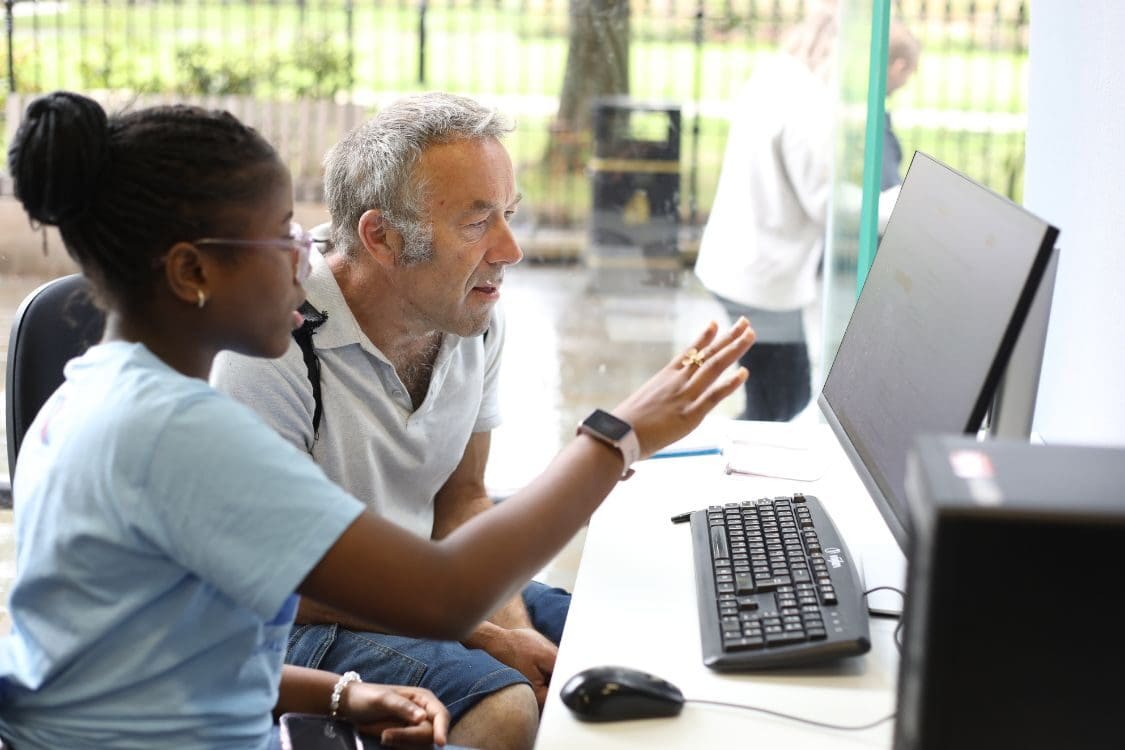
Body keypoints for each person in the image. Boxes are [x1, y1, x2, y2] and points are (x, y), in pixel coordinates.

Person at [0, 92, 754, 749]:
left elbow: (176, 649)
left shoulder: (107, 395)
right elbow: (442, 594)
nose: (305, 262)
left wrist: (336, 695)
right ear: (192, 272)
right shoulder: (177, 433)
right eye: (281, 240)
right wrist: (615, 438)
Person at [210, 93, 548, 750]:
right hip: (301, 611)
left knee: (603, 636)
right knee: (507, 708)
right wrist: (480, 631)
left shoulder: (470, 315)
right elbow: (275, 573)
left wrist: (511, 626)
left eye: (509, 215)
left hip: (432, 585)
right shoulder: (271, 342)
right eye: (478, 223)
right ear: (381, 237)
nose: (509, 250)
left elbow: (463, 497)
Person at [694, 11, 918, 422]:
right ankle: (729, 470)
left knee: (776, 396)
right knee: (783, 400)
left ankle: (733, 464)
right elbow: (825, 204)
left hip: (740, 264)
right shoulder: (807, 105)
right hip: (759, 278)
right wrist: (899, 205)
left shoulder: (778, 75)